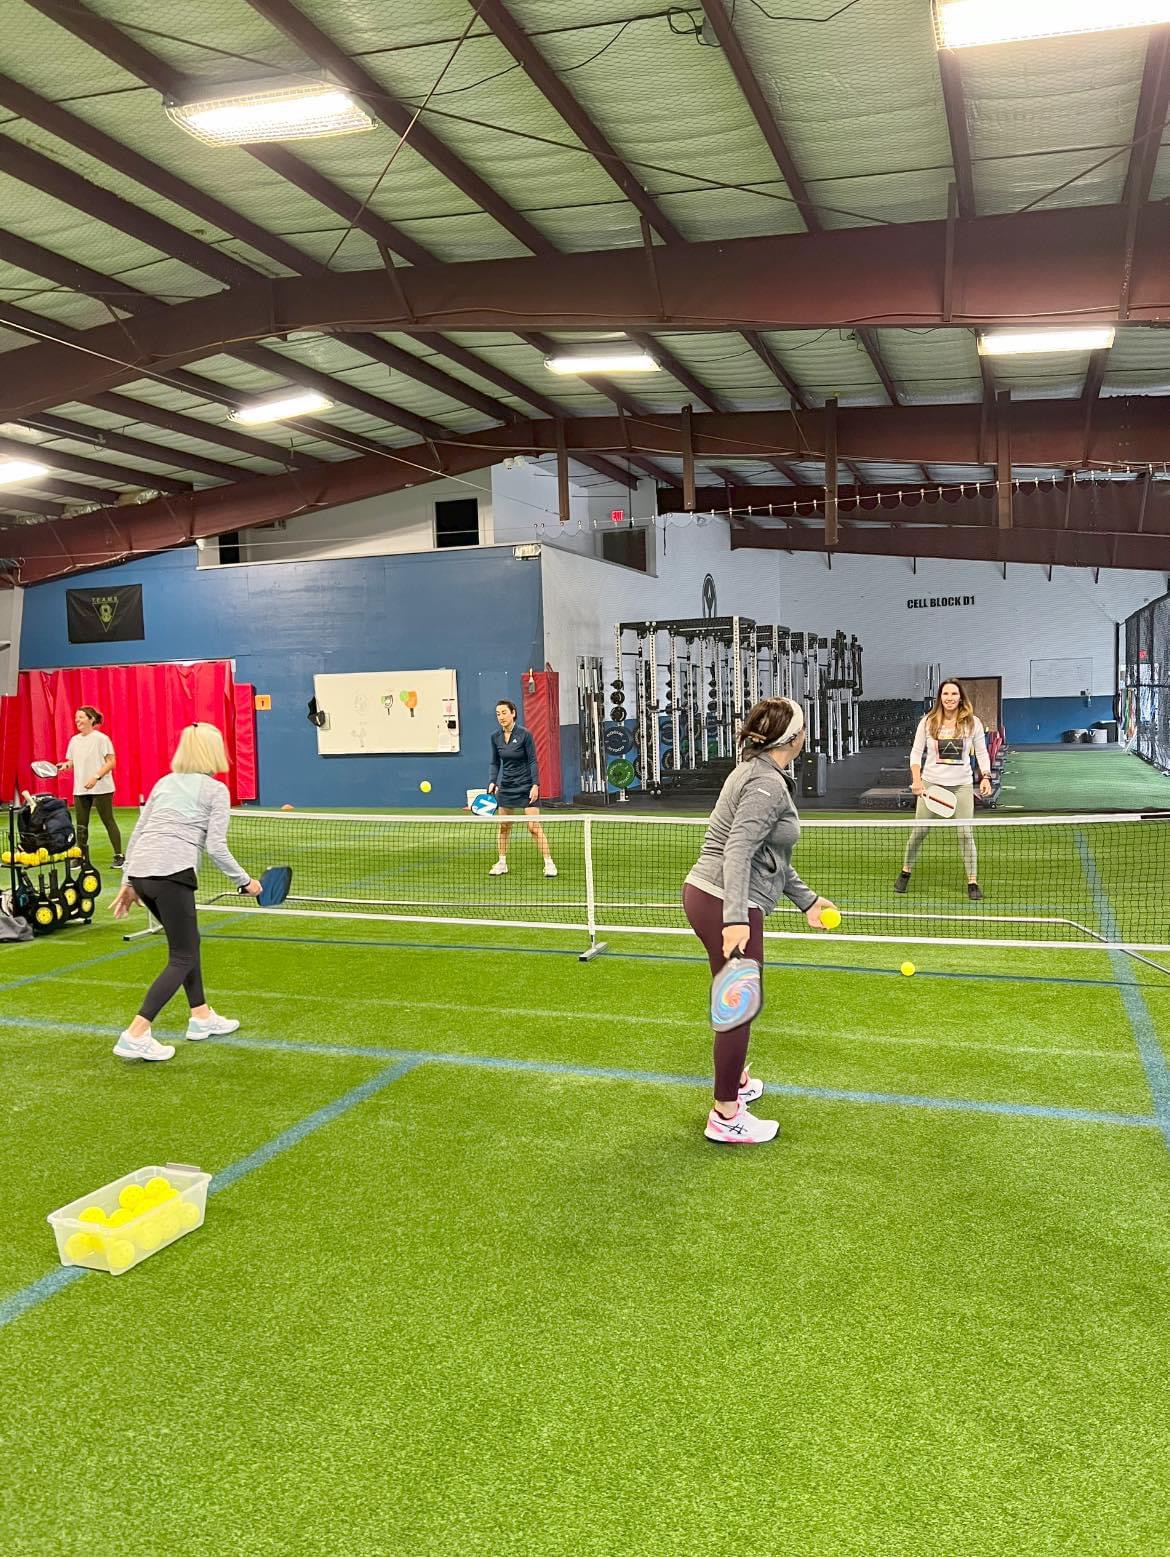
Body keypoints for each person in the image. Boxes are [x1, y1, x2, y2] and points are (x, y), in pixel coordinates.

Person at [683, 697, 836, 1146]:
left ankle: (738, 1081)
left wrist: (806, 901)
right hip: (725, 901)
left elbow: (769, 857)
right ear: (794, 740)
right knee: (739, 1006)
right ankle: (725, 1114)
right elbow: (737, 851)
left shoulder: (762, 775)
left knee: (735, 1000)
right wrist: (735, 918)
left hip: (715, 896)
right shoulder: (766, 785)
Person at [108, 723, 261, 1062]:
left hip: (145, 875)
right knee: (183, 955)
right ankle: (137, 1032)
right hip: (171, 874)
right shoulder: (215, 790)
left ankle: (201, 1016)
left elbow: (138, 833)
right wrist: (244, 881)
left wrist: (129, 882)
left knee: (186, 946)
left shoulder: (163, 783)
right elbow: (216, 846)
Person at [894, 679, 993, 902]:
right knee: (919, 833)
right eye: (946, 694)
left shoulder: (972, 723)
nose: (949, 698)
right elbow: (915, 753)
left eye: (954, 694)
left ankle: (972, 881)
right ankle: (906, 871)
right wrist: (917, 781)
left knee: (965, 834)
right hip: (931, 785)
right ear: (940, 697)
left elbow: (982, 753)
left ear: (960, 697)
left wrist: (985, 777)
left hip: (962, 786)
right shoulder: (928, 722)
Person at [486, 699, 557, 878]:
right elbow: (495, 762)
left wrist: (535, 785)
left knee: (533, 827)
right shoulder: (495, 737)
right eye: (497, 714)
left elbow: (533, 760)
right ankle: (501, 863)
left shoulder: (525, 734)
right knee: (504, 827)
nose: (501, 717)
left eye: (504, 713)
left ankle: (549, 864)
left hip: (526, 785)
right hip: (507, 786)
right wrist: (493, 781)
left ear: (513, 713)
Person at [57, 706, 124, 867]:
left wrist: (96, 777)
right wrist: (66, 765)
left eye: (81, 717)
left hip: (102, 787)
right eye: (76, 718)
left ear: (91, 719)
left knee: (108, 820)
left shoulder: (101, 739)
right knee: (81, 825)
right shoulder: (74, 740)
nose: (77, 720)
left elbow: (111, 762)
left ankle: (119, 856)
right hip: (81, 788)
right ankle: (81, 857)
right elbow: (73, 761)